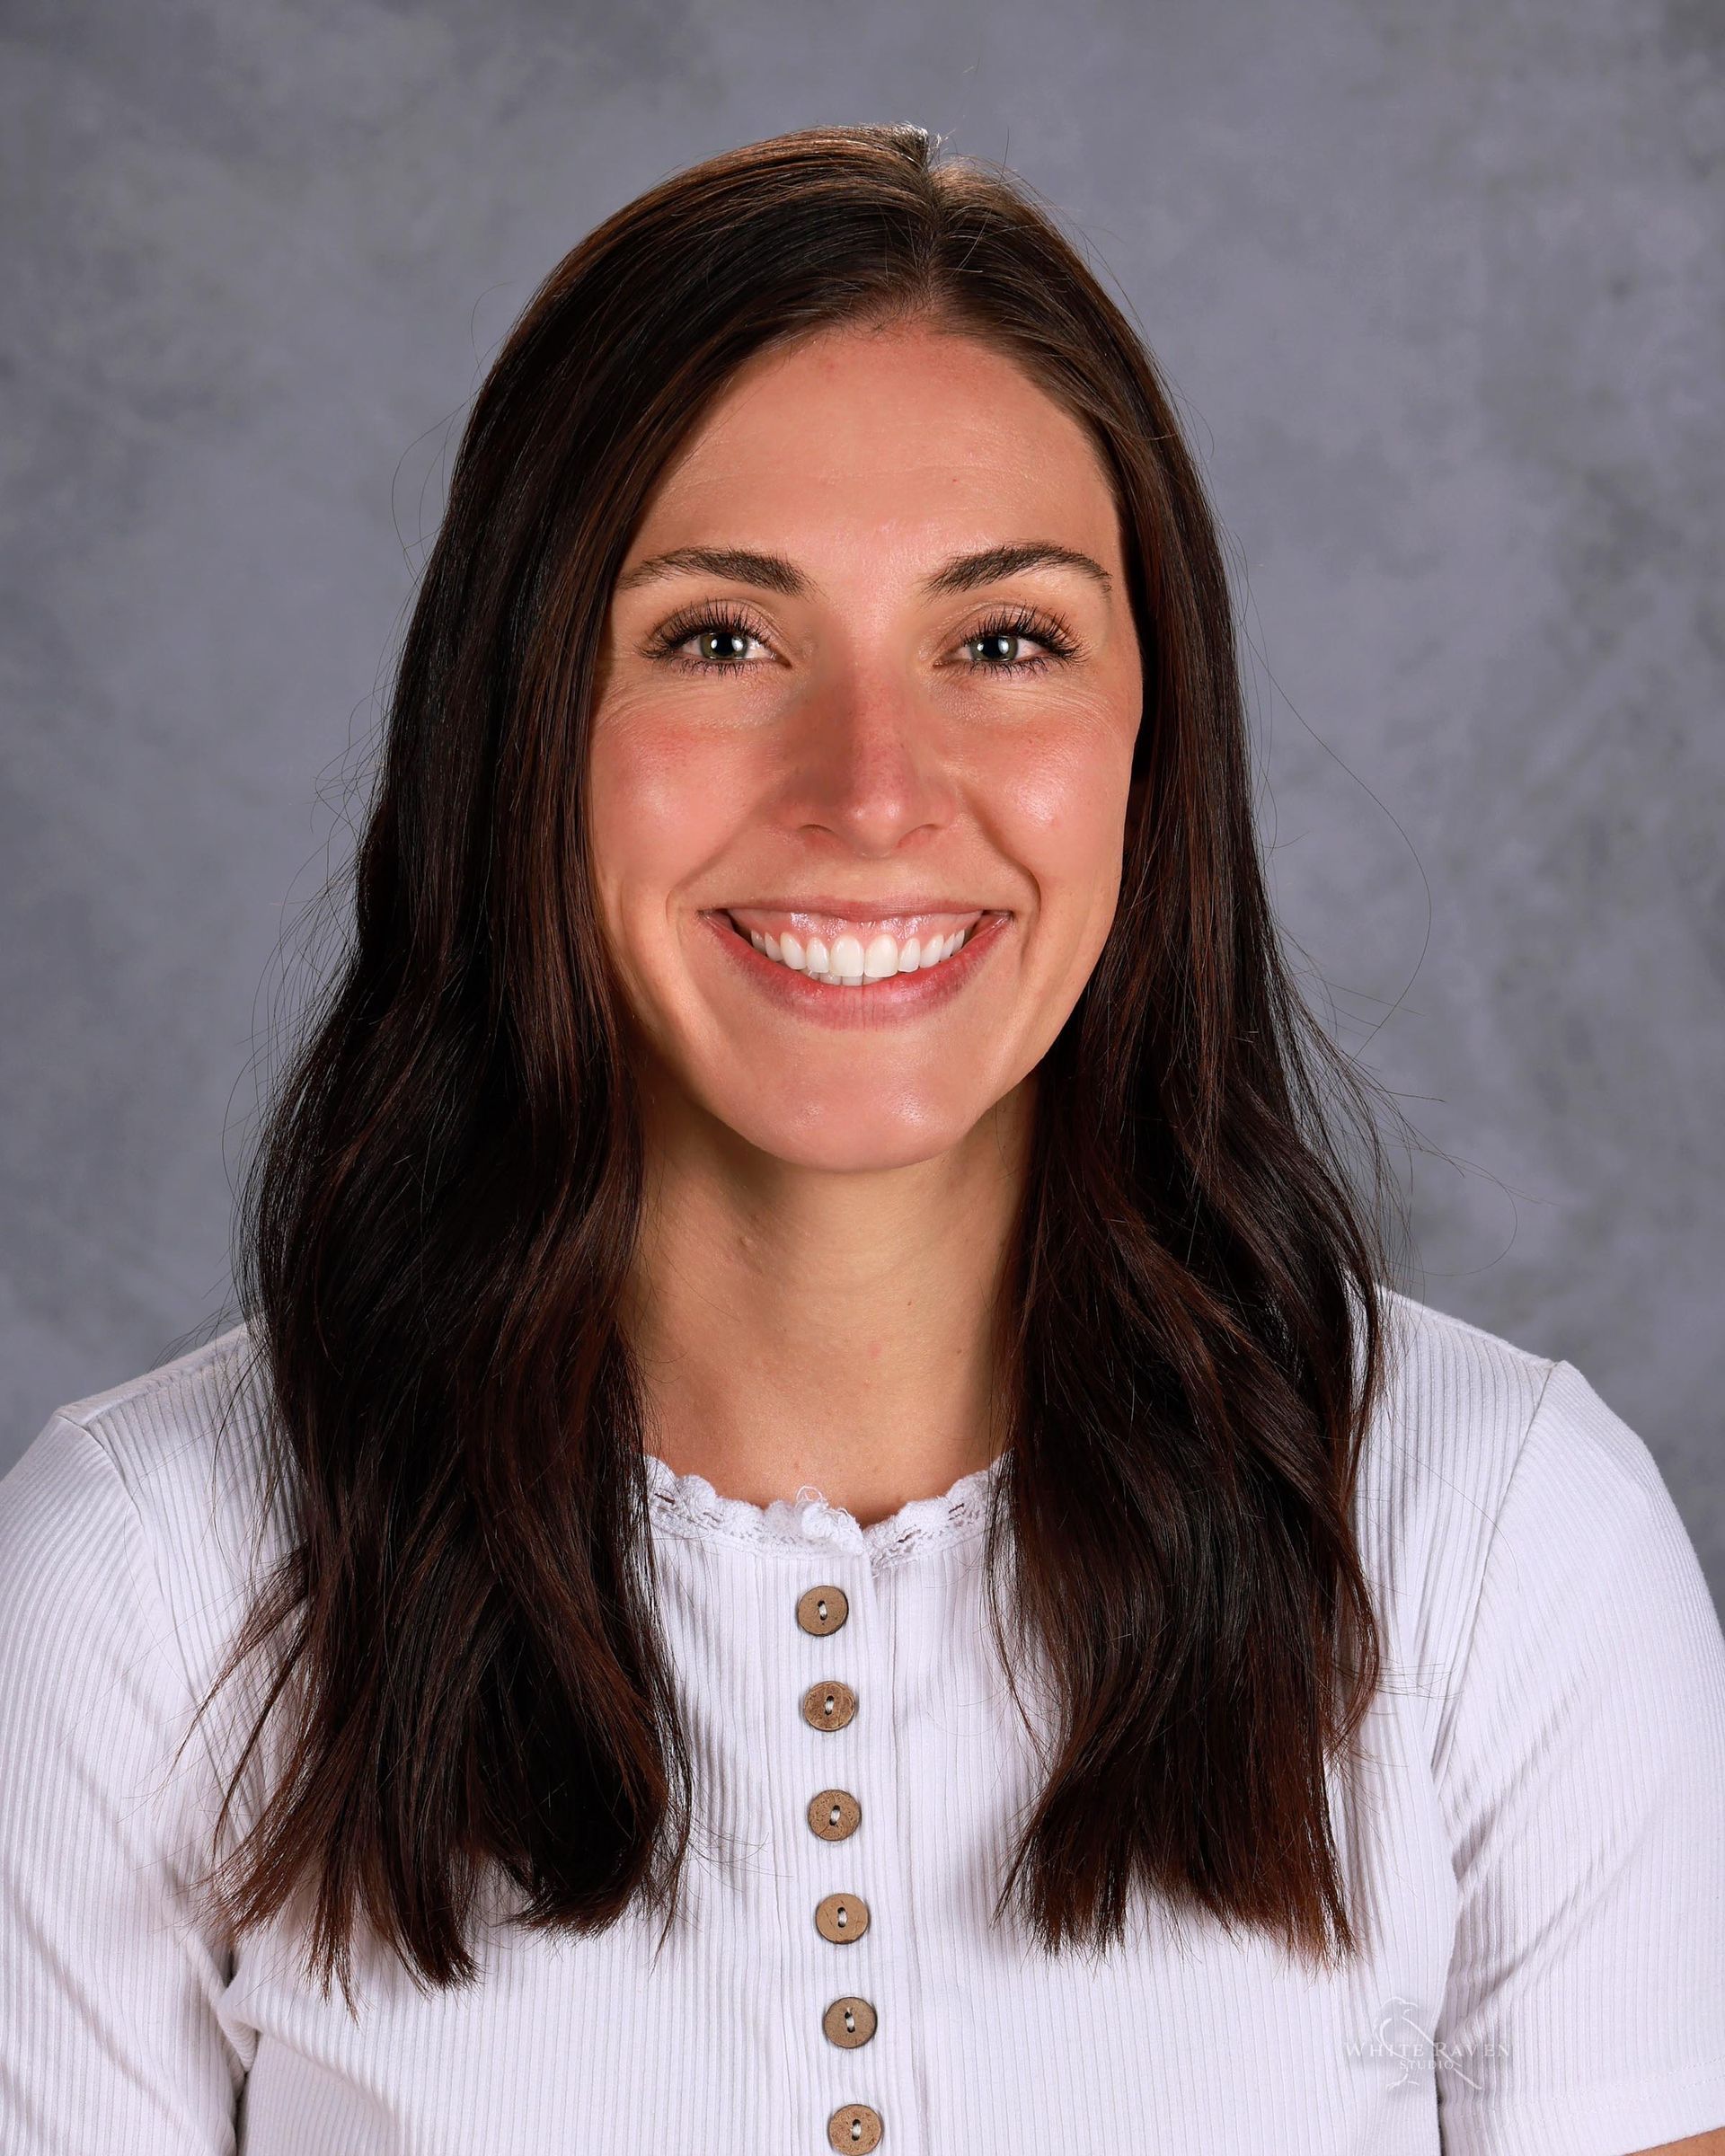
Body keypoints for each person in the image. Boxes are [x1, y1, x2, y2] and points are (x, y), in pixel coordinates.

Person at [3, 121, 1722, 2156]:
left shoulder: (1507, 1546)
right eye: (721, 639)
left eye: (1005, 643)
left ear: (1151, 750)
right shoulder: (140, 1587)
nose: (876, 789)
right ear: (518, 726)